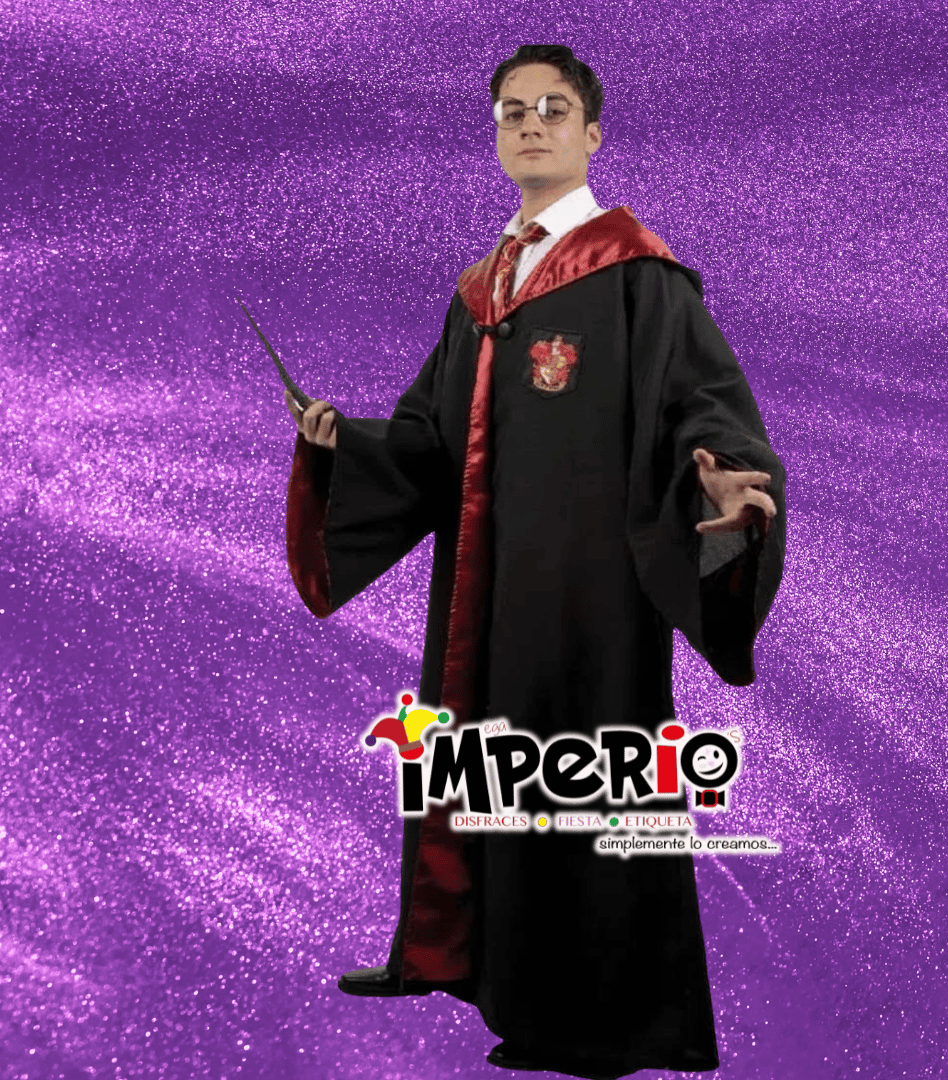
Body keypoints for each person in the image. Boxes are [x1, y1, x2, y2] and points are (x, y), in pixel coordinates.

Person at [284, 44, 785, 1080]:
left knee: (579, 780)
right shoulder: (484, 289)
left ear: (592, 132)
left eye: (554, 109)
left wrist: (730, 485)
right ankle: (470, 960)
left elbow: (707, 405)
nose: (531, 124)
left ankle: (596, 1024)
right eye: (513, 110)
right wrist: (345, 447)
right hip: (485, 588)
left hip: (590, 596)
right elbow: (429, 441)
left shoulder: (639, 276)